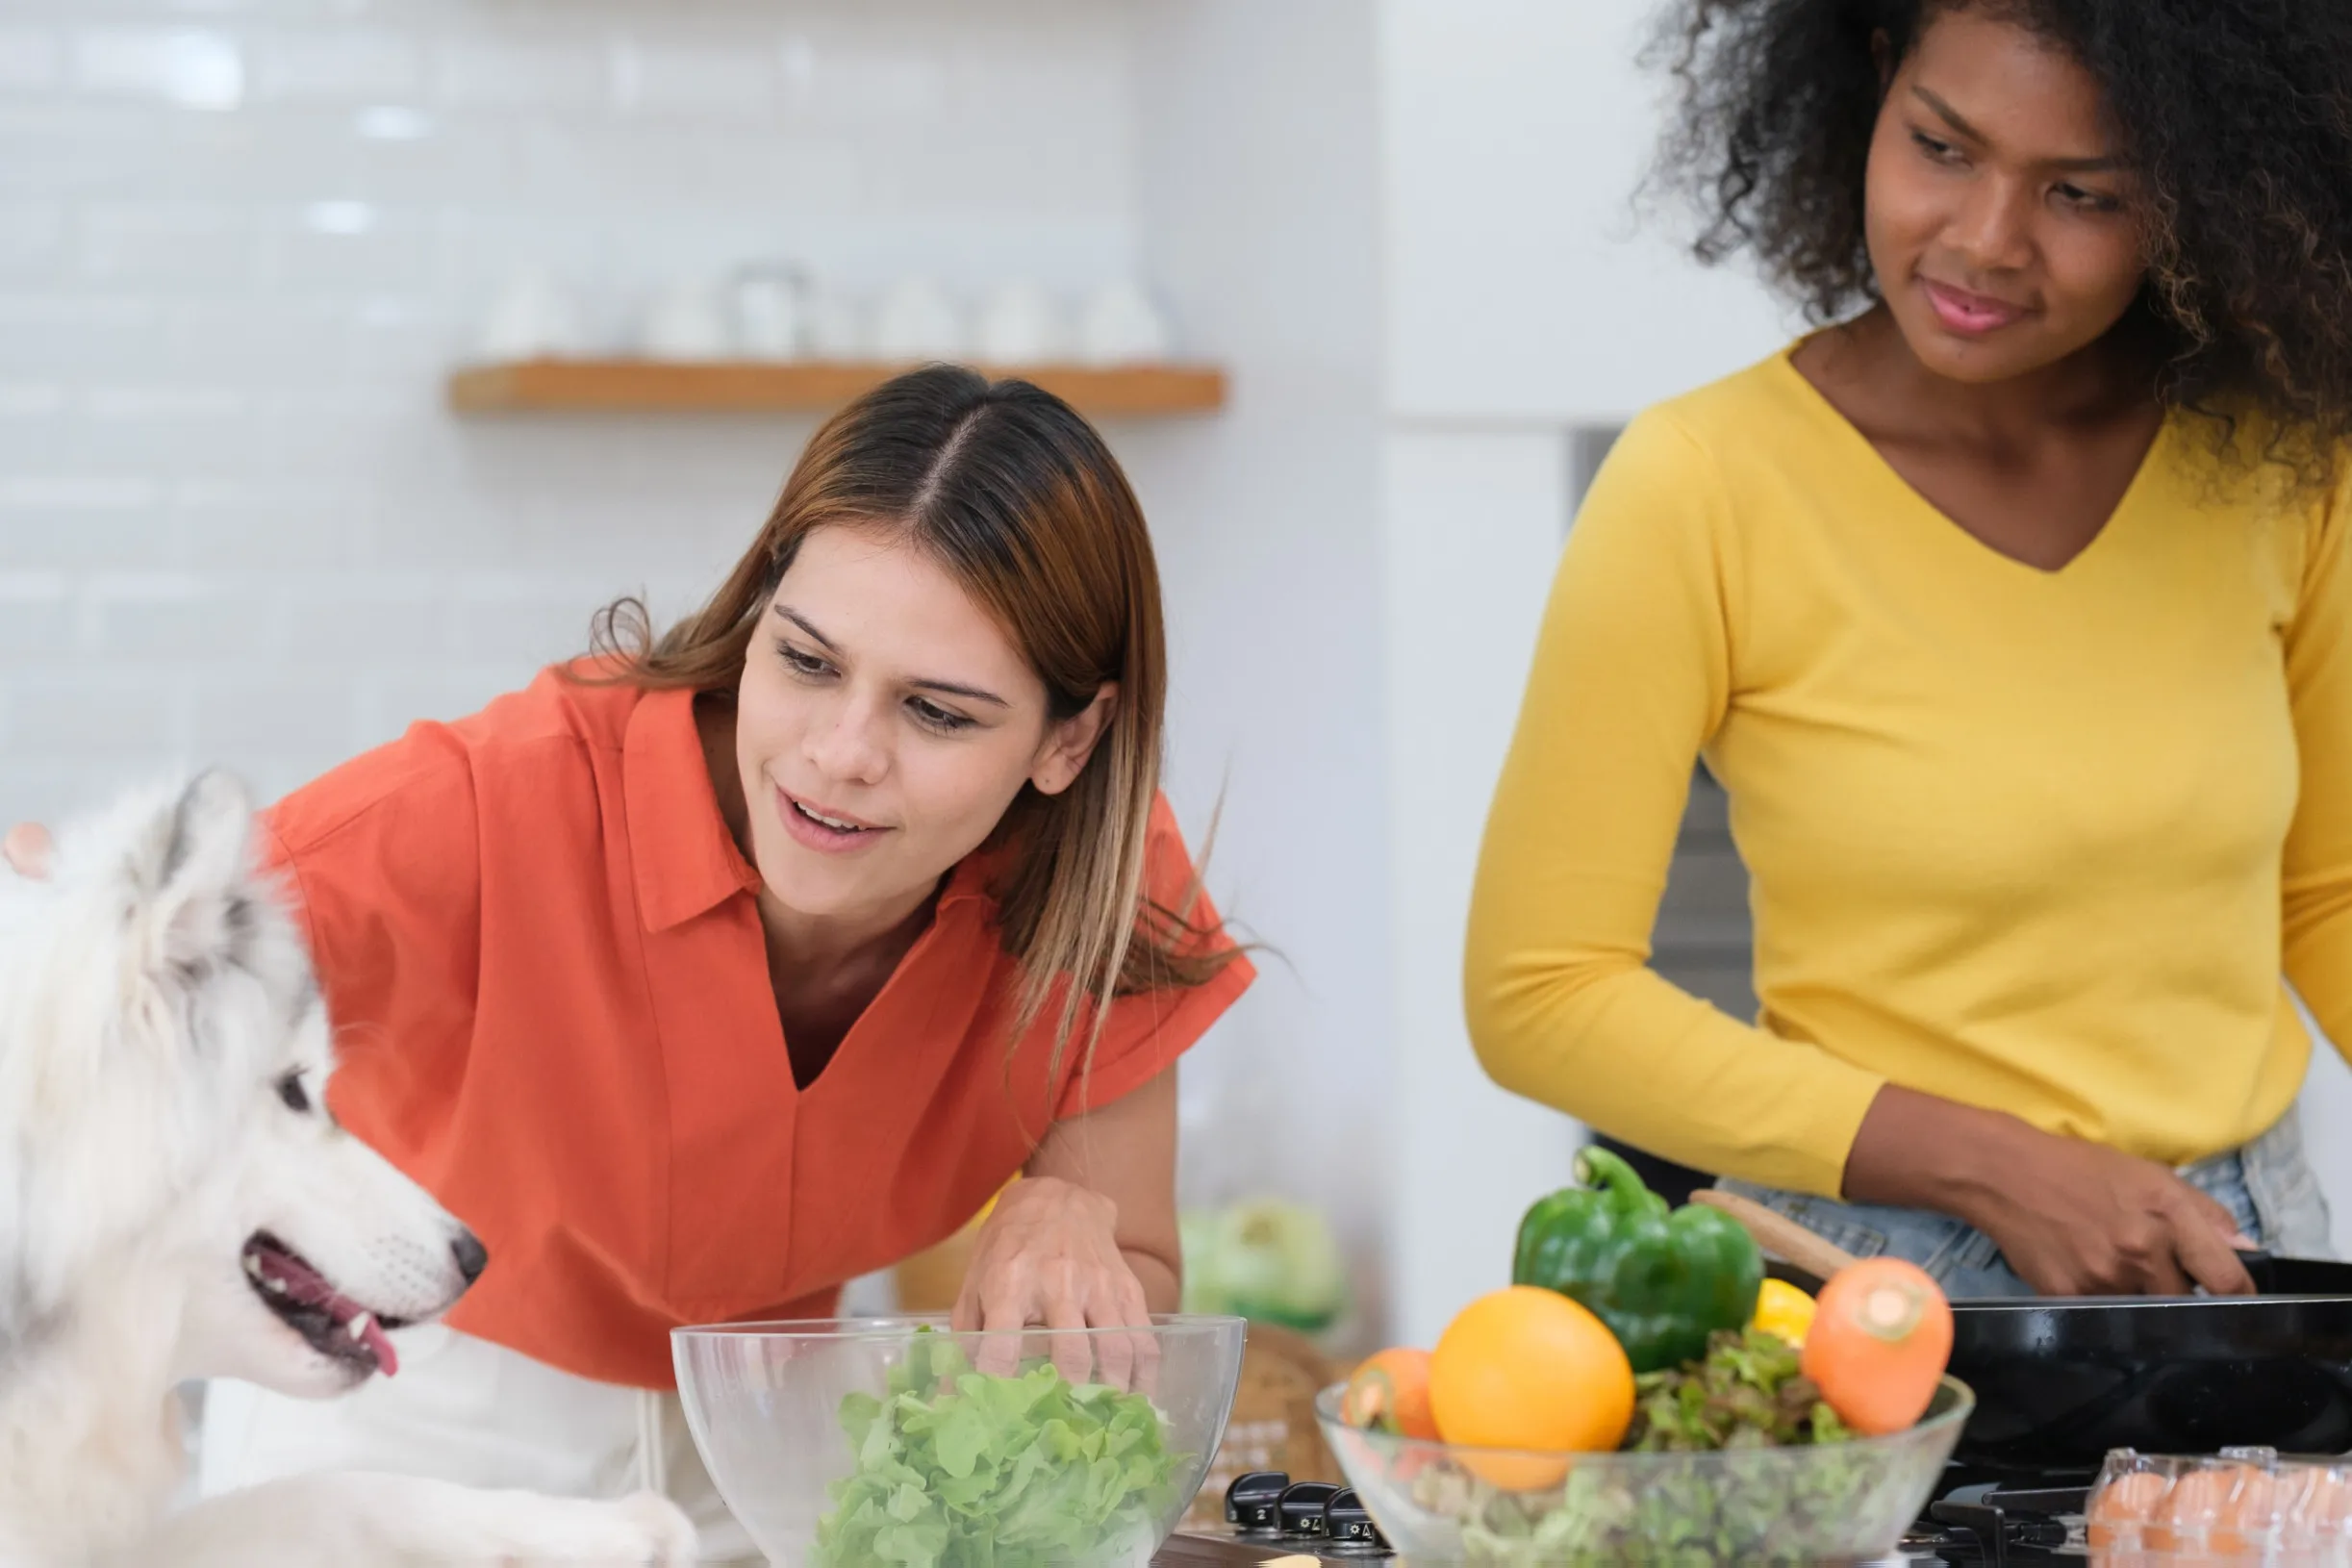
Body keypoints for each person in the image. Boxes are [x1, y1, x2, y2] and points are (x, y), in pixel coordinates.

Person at [11, 366, 1253, 1559]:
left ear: (1071, 739)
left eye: (936, 711)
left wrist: (1071, 1202)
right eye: (807, 660)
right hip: (414, 1412)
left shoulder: (1100, 880)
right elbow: (84, 946)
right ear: (759, 611)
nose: (839, 753)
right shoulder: (497, 801)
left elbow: (1130, 1289)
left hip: (778, 1433)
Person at [1465, 0, 2352, 1300]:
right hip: (1865, 1269)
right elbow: (1538, 990)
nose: (1985, 242)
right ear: (1875, 85)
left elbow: (2327, 891)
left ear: (2196, 193)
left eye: (2083, 195)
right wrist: (1994, 1166)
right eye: (1942, 147)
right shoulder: (1703, 483)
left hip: (2224, 1263)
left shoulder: (2282, 462)